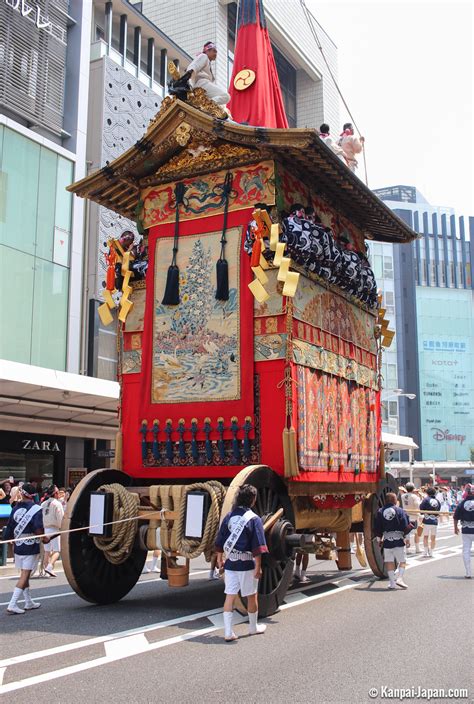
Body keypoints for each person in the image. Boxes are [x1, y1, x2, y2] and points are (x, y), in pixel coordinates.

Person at [215, 484, 268, 641]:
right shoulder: (254, 519)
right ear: (253, 500)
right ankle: (253, 628)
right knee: (251, 596)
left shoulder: (229, 516)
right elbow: (257, 547)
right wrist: (258, 567)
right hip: (246, 565)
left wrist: (220, 558)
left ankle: (228, 632)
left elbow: (220, 540)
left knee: (229, 597)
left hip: (231, 564)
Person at [3, 483, 51, 614]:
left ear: (22, 493)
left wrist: (8, 540)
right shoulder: (36, 509)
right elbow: (37, 528)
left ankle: (28, 601)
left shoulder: (15, 507)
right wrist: (45, 538)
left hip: (18, 546)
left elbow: (10, 527)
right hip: (30, 545)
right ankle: (12, 604)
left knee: (25, 573)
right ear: (33, 495)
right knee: (25, 575)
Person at [374, 491, 412, 589]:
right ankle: (399, 578)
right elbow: (405, 525)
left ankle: (392, 583)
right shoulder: (400, 511)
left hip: (387, 541)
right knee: (402, 561)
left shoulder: (380, 511)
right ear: (395, 500)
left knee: (389, 561)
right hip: (398, 539)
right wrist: (407, 539)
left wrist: (379, 540)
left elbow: (377, 527)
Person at [186, 42, 230, 106]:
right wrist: (187, 77)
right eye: (214, 51)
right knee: (225, 96)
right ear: (207, 51)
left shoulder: (207, 62)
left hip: (202, 86)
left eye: (216, 52)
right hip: (202, 84)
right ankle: (206, 105)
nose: (215, 54)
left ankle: (206, 105)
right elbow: (194, 66)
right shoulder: (204, 56)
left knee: (220, 101)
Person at [41, 485, 64, 577]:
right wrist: (62, 528)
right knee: (57, 550)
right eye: (58, 492)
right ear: (55, 494)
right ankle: (49, 567)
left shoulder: (43, 504)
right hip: (54, 529)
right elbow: (60, 518)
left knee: (47, 551)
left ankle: (45, 569)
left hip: (45, 528)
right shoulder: (57, 504)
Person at [453, 483, 474, 579]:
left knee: (466, 550)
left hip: (466, 529)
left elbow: (455, 516)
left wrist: (455, 527)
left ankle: (468, 572)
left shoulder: (462, 503)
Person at [419, 487, 441, 557]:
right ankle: (431, 552)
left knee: (425, 536)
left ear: (427, 493)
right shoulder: (437, 501)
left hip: (427, 520)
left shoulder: (425, 500)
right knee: (433, 537)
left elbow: (421, 508)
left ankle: (425, 551)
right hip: (434, 521)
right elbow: (438, 511)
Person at [401, 482, 422, 554]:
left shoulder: (402, 496)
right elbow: (418, 506)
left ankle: (407, 549)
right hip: (413, 516)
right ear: (413, 488)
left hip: (404, 516)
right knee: (416, 533)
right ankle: (417, 548)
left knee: (406, 534)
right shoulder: (415, 497)